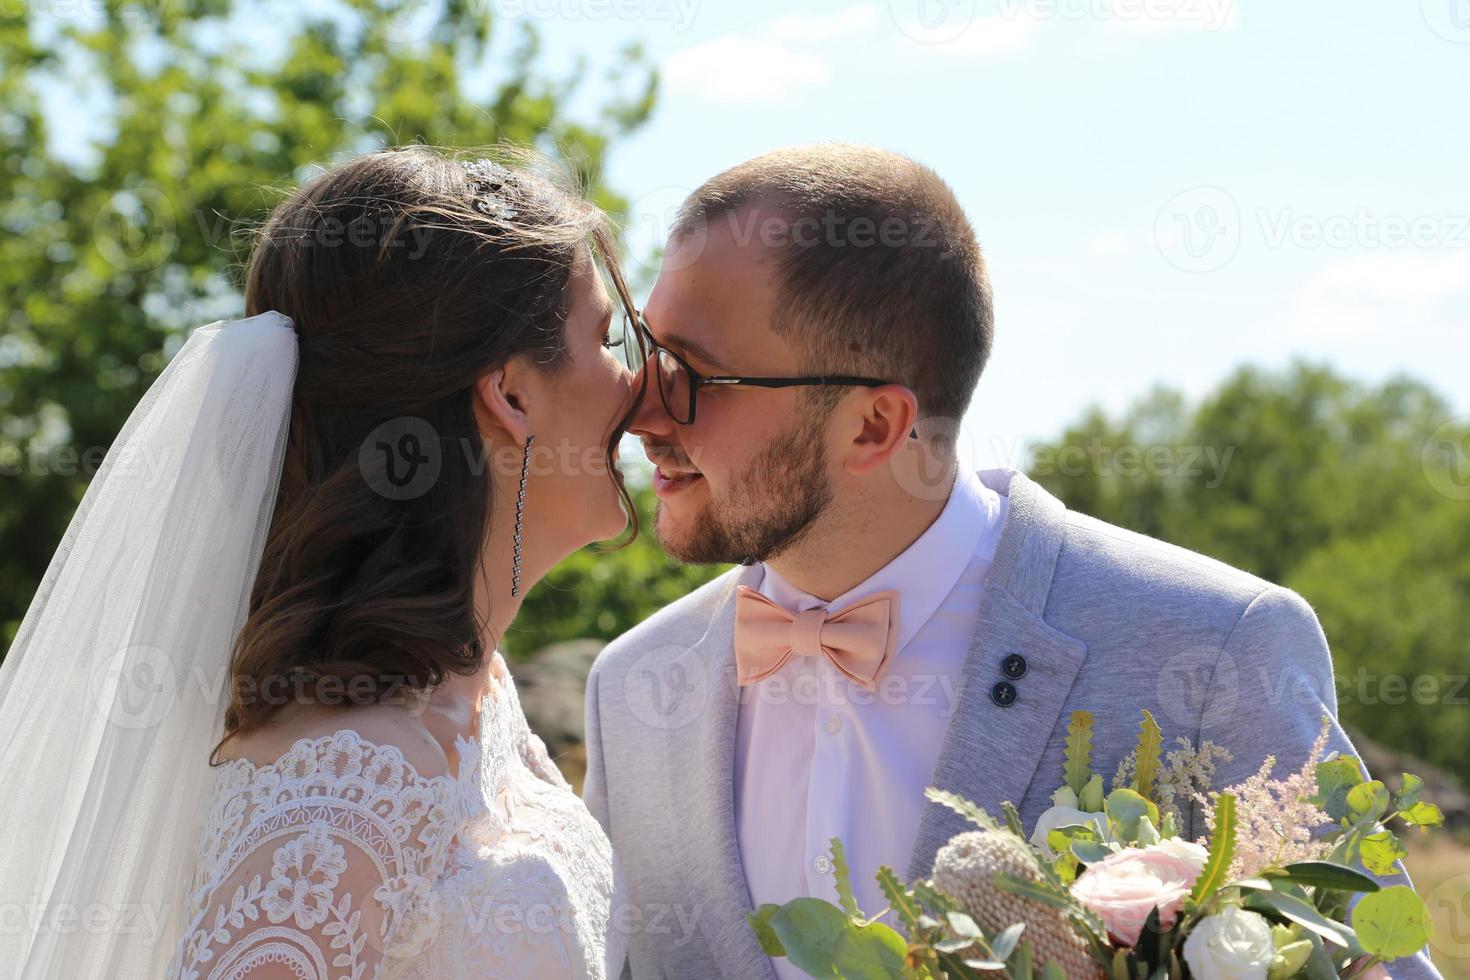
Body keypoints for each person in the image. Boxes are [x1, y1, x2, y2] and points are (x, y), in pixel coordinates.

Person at [582, 143, 1439, 979]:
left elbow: (1372, 964)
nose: (643, 410)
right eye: (646, 351)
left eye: (694, 374)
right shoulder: (633, 686)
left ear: (875, 427)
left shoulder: (1217, 648)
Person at [0, 145, 645, 979]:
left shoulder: (475, 697)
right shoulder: (333, 801)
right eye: (605, 339)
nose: (638, 385)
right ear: (513, 394)